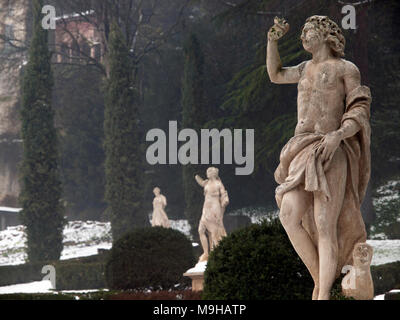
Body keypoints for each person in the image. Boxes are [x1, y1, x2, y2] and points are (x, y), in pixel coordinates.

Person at [266, 16, 372, 300]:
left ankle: (323, 293)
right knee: (289, 215)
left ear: (326, 35)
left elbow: (359, 108)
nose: (303, 36)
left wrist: (339, 134)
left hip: (330, 149)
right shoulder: (303, 69)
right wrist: (272, 41)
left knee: (325, 223)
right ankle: (319, 281)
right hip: (300, 148)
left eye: (308, 31)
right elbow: (275, 74)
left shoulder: (346, 69)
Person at [195, 167, 229, 262]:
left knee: (214, 232)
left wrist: (225, 201)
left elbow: (223, 194)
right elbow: (201, 183)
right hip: (206, 208)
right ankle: (206, 253)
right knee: (201, 230)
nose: (207, 174)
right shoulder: (207, 183)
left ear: (213, 174)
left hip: (215, 208)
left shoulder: (218, 184)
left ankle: (216, 251)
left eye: (209, 172)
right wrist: (197, 178)